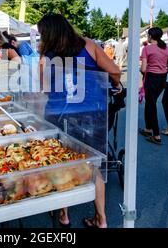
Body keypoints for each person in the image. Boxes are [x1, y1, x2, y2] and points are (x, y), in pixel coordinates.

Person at [37, 13, 122, 229]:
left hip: (60, 115)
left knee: (62, 164)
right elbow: (115, 70)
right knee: (95, 166)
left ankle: (64, 215)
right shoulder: (90, 45)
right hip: (93, 114)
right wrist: (114, 83)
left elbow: (45, 88)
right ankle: (101, 219)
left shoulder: (47, 55)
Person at [139, 27, 168, 145]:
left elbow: (143, 68)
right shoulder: (166, 49)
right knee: (150, 102)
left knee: (151, 104)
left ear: (150, 36)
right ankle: (148, 128)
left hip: (151, 78)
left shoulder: (146, 49)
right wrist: (162, 70)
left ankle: (156, 134)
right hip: (162, 79)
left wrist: (145, 69)